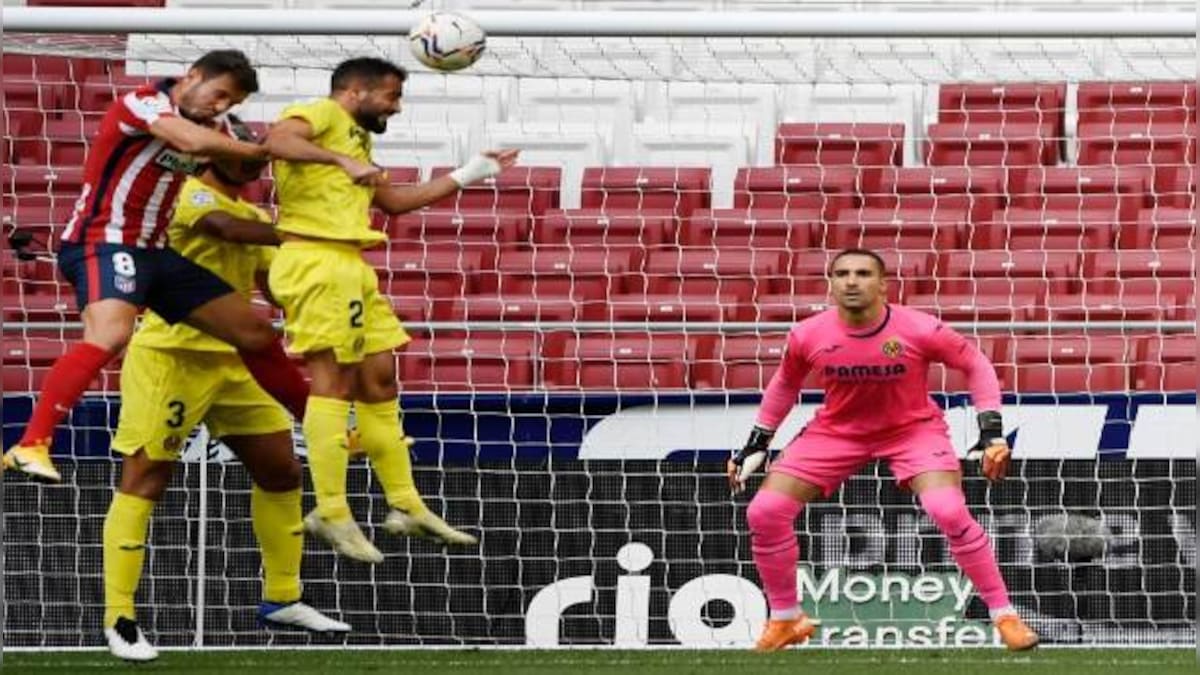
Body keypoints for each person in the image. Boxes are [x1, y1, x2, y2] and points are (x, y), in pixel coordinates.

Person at [102, 121, 348, 662]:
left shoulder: (259, 216)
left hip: (239, 364)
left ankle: (283, 597)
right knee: (146, 477)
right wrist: (309, 233)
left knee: (282, 469)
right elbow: (224, 229)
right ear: (217, 154)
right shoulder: (186, 193)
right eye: (248, 154)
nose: (258, 163)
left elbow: (270, 286)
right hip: (173, 357)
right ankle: (120, 617)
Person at [4, 50, 309, 483]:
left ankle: (322, 427)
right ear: (193, 76)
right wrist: (250, 146)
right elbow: (193, 144)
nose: (221, 107)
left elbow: (242, 164)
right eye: (219, 94)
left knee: (255, 333)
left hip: (156, 251)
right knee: (111, 333)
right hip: (102, 242)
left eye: (232, 104)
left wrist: (293, 146)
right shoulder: (143, 102)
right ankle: (30, 444)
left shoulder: (214, 126)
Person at [264, 56, 518, 563]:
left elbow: (396, 202)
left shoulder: (358, 138)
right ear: (357, 92)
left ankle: (405, 503)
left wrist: (471, 173)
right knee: (332, 380)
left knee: (380, 379)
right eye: (392, 97)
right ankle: (331, 510)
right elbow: (275, 140)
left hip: (350, 264)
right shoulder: (321, 114)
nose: (396, 108)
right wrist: (340, 162)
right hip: (315, 260)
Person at [728, 248, 1039, 653]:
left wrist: (991, 431)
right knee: (764, 512)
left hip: (912, 430)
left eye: (861, 273)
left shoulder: (920, 328)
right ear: (831, 283)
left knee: (948, 510)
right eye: (841, 274)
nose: (851, 281)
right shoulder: (807, 334)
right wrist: (759, 441)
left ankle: (1004, 617)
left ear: (883, 284)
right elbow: (785, 384)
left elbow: (976, 364)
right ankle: (786, 618)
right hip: (836, 432)